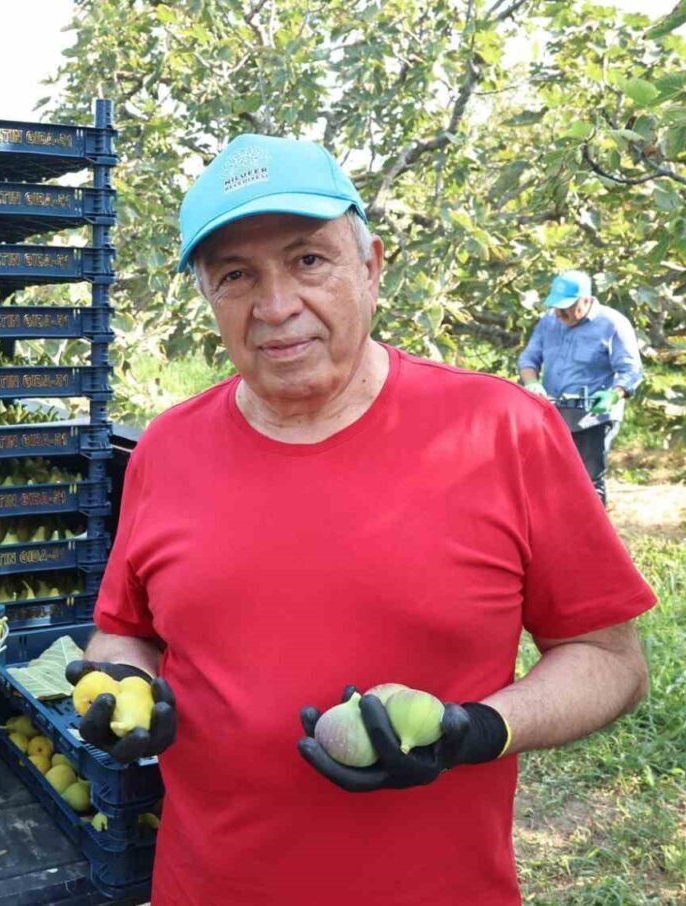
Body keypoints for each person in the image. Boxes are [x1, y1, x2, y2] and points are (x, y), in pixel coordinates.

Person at [65, 134, 655, 905]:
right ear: (208, 296)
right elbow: (124, 629)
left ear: (371, 265)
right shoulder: (166, 449)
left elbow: (611, 660)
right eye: (236, 275)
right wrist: (125, 687)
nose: (276, 307)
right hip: (208, 885)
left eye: (309, 259)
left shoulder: (500, 430)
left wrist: (478, 729)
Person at [517, 271, 643, 505]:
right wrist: (532, 383)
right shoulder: (549, 322)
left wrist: (613, 395)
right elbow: (528, 359)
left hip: (592, 418)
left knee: (587, 481)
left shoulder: (612, 324)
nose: (559, 312)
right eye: (556, 306)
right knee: (549, 478)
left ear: (586, 300)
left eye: (566, 307)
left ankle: (593, 534)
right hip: (554, 414)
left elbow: (631, 371)